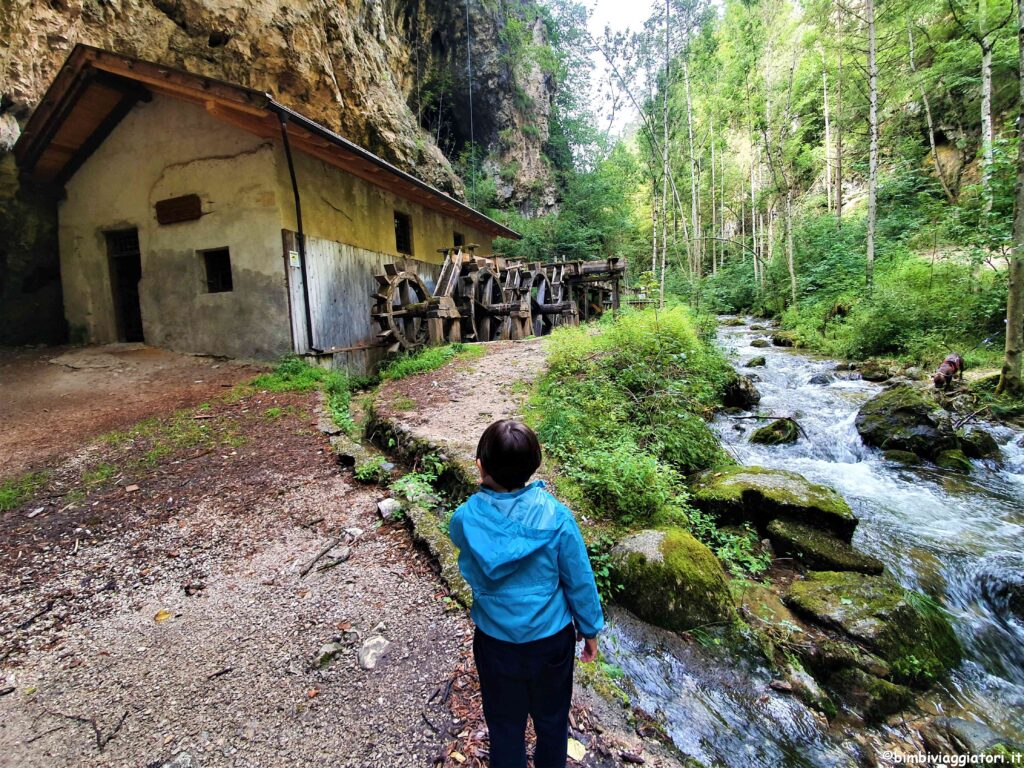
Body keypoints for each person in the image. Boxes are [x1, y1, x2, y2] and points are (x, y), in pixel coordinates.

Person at [449, 419, 604, 768]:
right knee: (552, 722)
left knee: (505, 727)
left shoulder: (464, 519)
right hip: (551, 643)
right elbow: (579, 579)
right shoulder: (558, 517)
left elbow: (466, 549)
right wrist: (590, 630)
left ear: (480, 465)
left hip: (495, 643)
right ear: (535, 467)